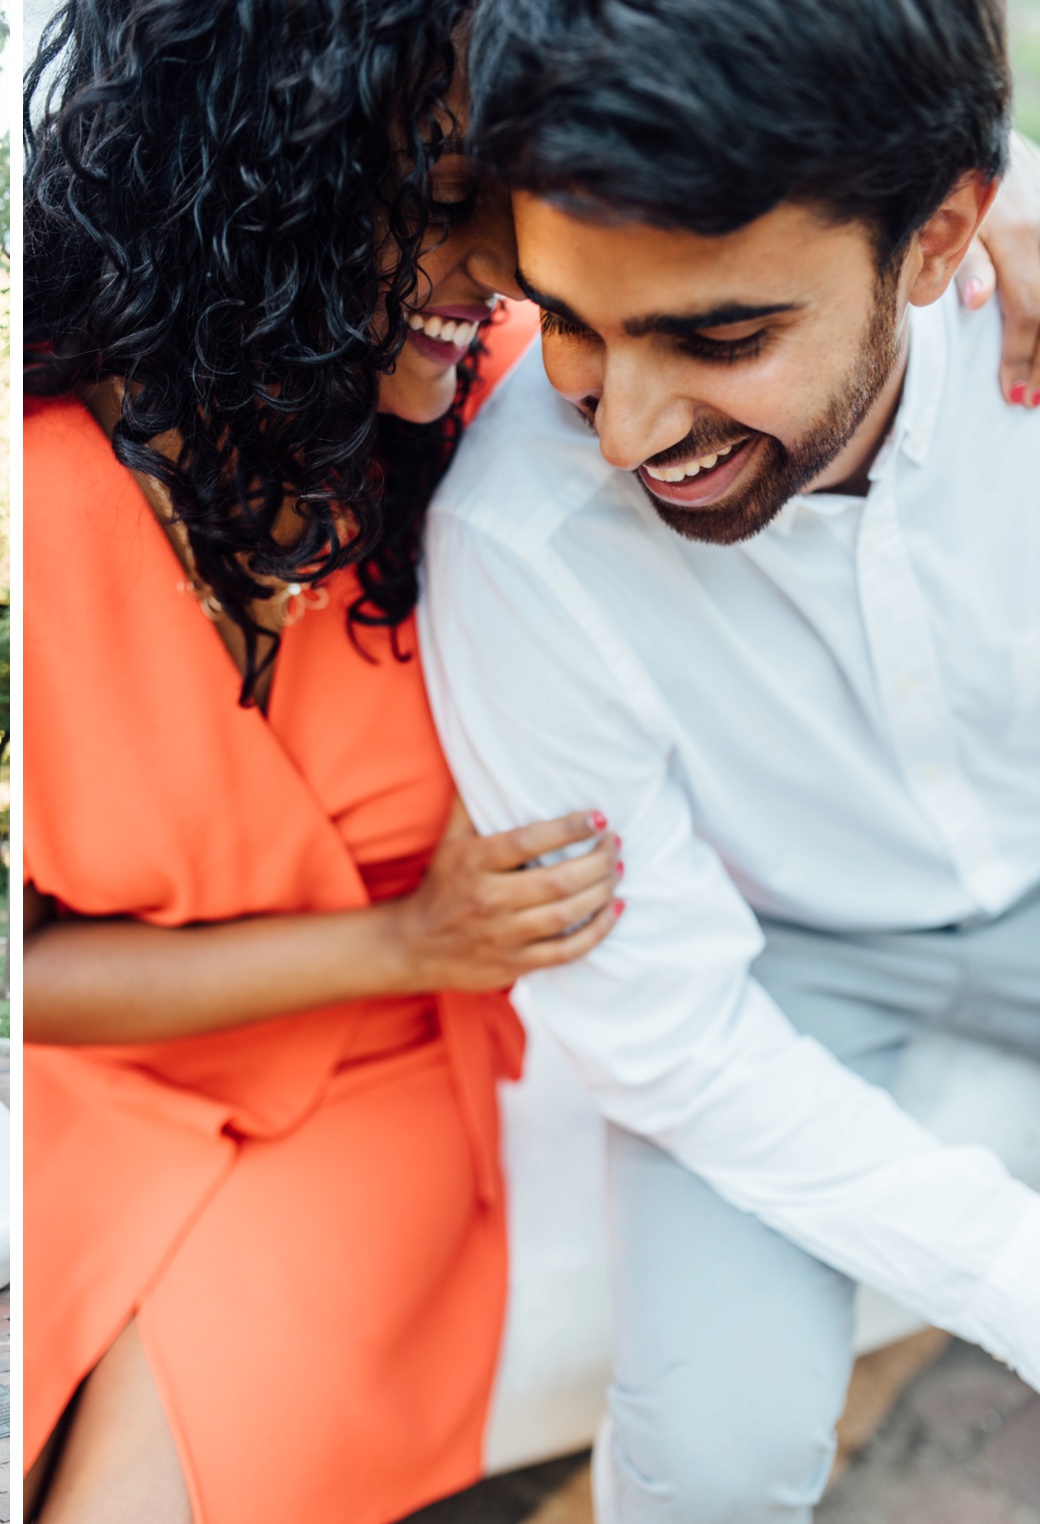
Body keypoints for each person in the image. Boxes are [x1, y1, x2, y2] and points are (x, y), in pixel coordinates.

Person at [419, 0, 1040, 1518]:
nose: (625, 431)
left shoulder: (1004, 274)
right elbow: (671, 1036)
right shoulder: (516, 537)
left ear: (943, 237)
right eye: (572, 320)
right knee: (710, 1461)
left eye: (718, 336)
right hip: (778, 968)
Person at [20, 5, 625, 1520]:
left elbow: (770, 237)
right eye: (436, 206)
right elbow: (23, 980)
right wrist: (400, 932)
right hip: (92, 1077)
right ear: (250, 185)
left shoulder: (495, 418)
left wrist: (994, 184)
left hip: (384, 1075)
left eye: (505, 204)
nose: (498, 268)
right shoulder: (37, 489)